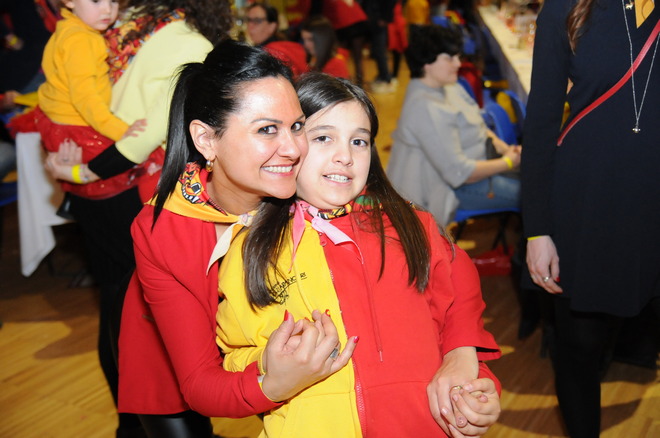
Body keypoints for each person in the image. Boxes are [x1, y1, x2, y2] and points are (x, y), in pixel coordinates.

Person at [216, 72, 502, 438]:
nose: (345, 157)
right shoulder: (253, 249)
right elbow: (234, 353)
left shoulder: (412, 225)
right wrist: (268, 365)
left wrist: (468, 377)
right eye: (323, 137)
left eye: (359, 141)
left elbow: (457, 303)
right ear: (288, 145)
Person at [118, 41, 357, 438]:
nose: (293, 149)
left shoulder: (315, 185)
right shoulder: (164, 232)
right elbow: (200, 382)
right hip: (170, 345)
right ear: (206, 140)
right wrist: (275, 383)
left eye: (297, 126)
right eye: (267, 129)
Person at [43, 0, 236, 436]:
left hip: (106, 184)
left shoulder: (126, 30)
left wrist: (75, 168)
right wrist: (83, 170)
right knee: (145, 319)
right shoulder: (175, 39)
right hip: (124, 186)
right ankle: (150, 424)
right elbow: (144, 134)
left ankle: (131, 425)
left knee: (119, 307)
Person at [522, 1, 660, 437]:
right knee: (580, 346)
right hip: (587, 202)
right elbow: (541, 124)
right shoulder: (566, 10)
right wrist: (538, 229)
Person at [386, 24, 521, 227]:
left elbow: (479, 126)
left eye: (458, 56)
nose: (458, 64)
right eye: (450, 58)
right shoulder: (426, 107)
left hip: (477, 169)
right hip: (451, 189)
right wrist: (509, 162)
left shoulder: (447, 86)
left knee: (540, 181)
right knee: (537, 195)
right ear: (427, 63)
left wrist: (506, 150)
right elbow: (460, 173)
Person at [35, 0, 145, 201]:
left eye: (113, 1)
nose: (107, 9)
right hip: (79, 126)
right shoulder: (81, 40)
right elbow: (85, 98)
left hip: (63, 122)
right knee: (111, 183)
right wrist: (120, 131)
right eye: (96, 1)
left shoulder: (69, 28)